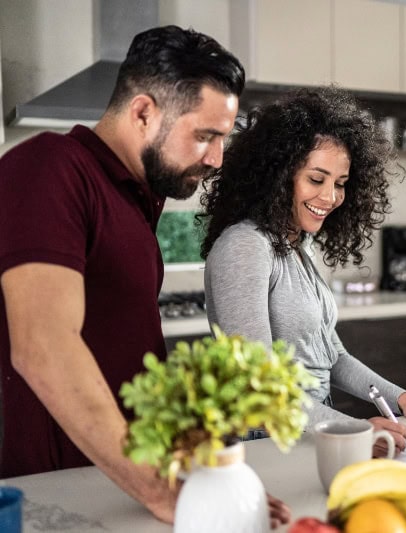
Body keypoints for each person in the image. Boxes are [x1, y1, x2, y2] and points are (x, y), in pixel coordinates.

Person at [0, 26, 290, 527]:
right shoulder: (48, 167)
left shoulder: (136, 197)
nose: (217, 159)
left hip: (119, 486)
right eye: (205, 136)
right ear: (142, 112)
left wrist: (198, 478)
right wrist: (163, 493)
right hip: (60, 493)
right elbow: (43, 347)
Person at [200, 87, 406, 452]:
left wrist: (405, 400)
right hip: (269, 438)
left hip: (312, 425)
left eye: (341, 184)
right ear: (276, 174)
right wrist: (354, 429)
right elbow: (256, 386)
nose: (331, 197)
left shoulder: (299, 244)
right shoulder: (245, 245)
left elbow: (331, 357)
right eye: (316, 180)